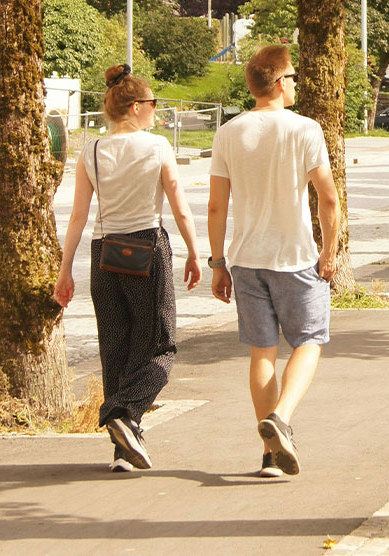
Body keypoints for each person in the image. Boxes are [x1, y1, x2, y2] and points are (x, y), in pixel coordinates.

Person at [54, 64, 201, 472]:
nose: (156, 110)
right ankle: (123, 411)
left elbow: (78, 216)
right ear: (136, 107)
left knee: (115, 349)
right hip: (146, 248)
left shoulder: (92, 150)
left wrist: (65, 270)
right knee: (159, 345)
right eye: (153, 104)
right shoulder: (156, 147)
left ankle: (124, 449)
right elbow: (179, 207)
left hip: (104, 253)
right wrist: (195, 252)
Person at [208, 45, 340, 477]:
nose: (296, 84)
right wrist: (329, 251)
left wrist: (217, 262)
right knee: (309, 341)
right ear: (281, 83)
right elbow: (328, 198)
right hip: (295, 257)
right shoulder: (305, 129)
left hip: (246, 259)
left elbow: (215, 207)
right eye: (294, 77)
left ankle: (269, 457)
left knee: (261, 353)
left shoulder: (229, 132)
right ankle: (280, 419)